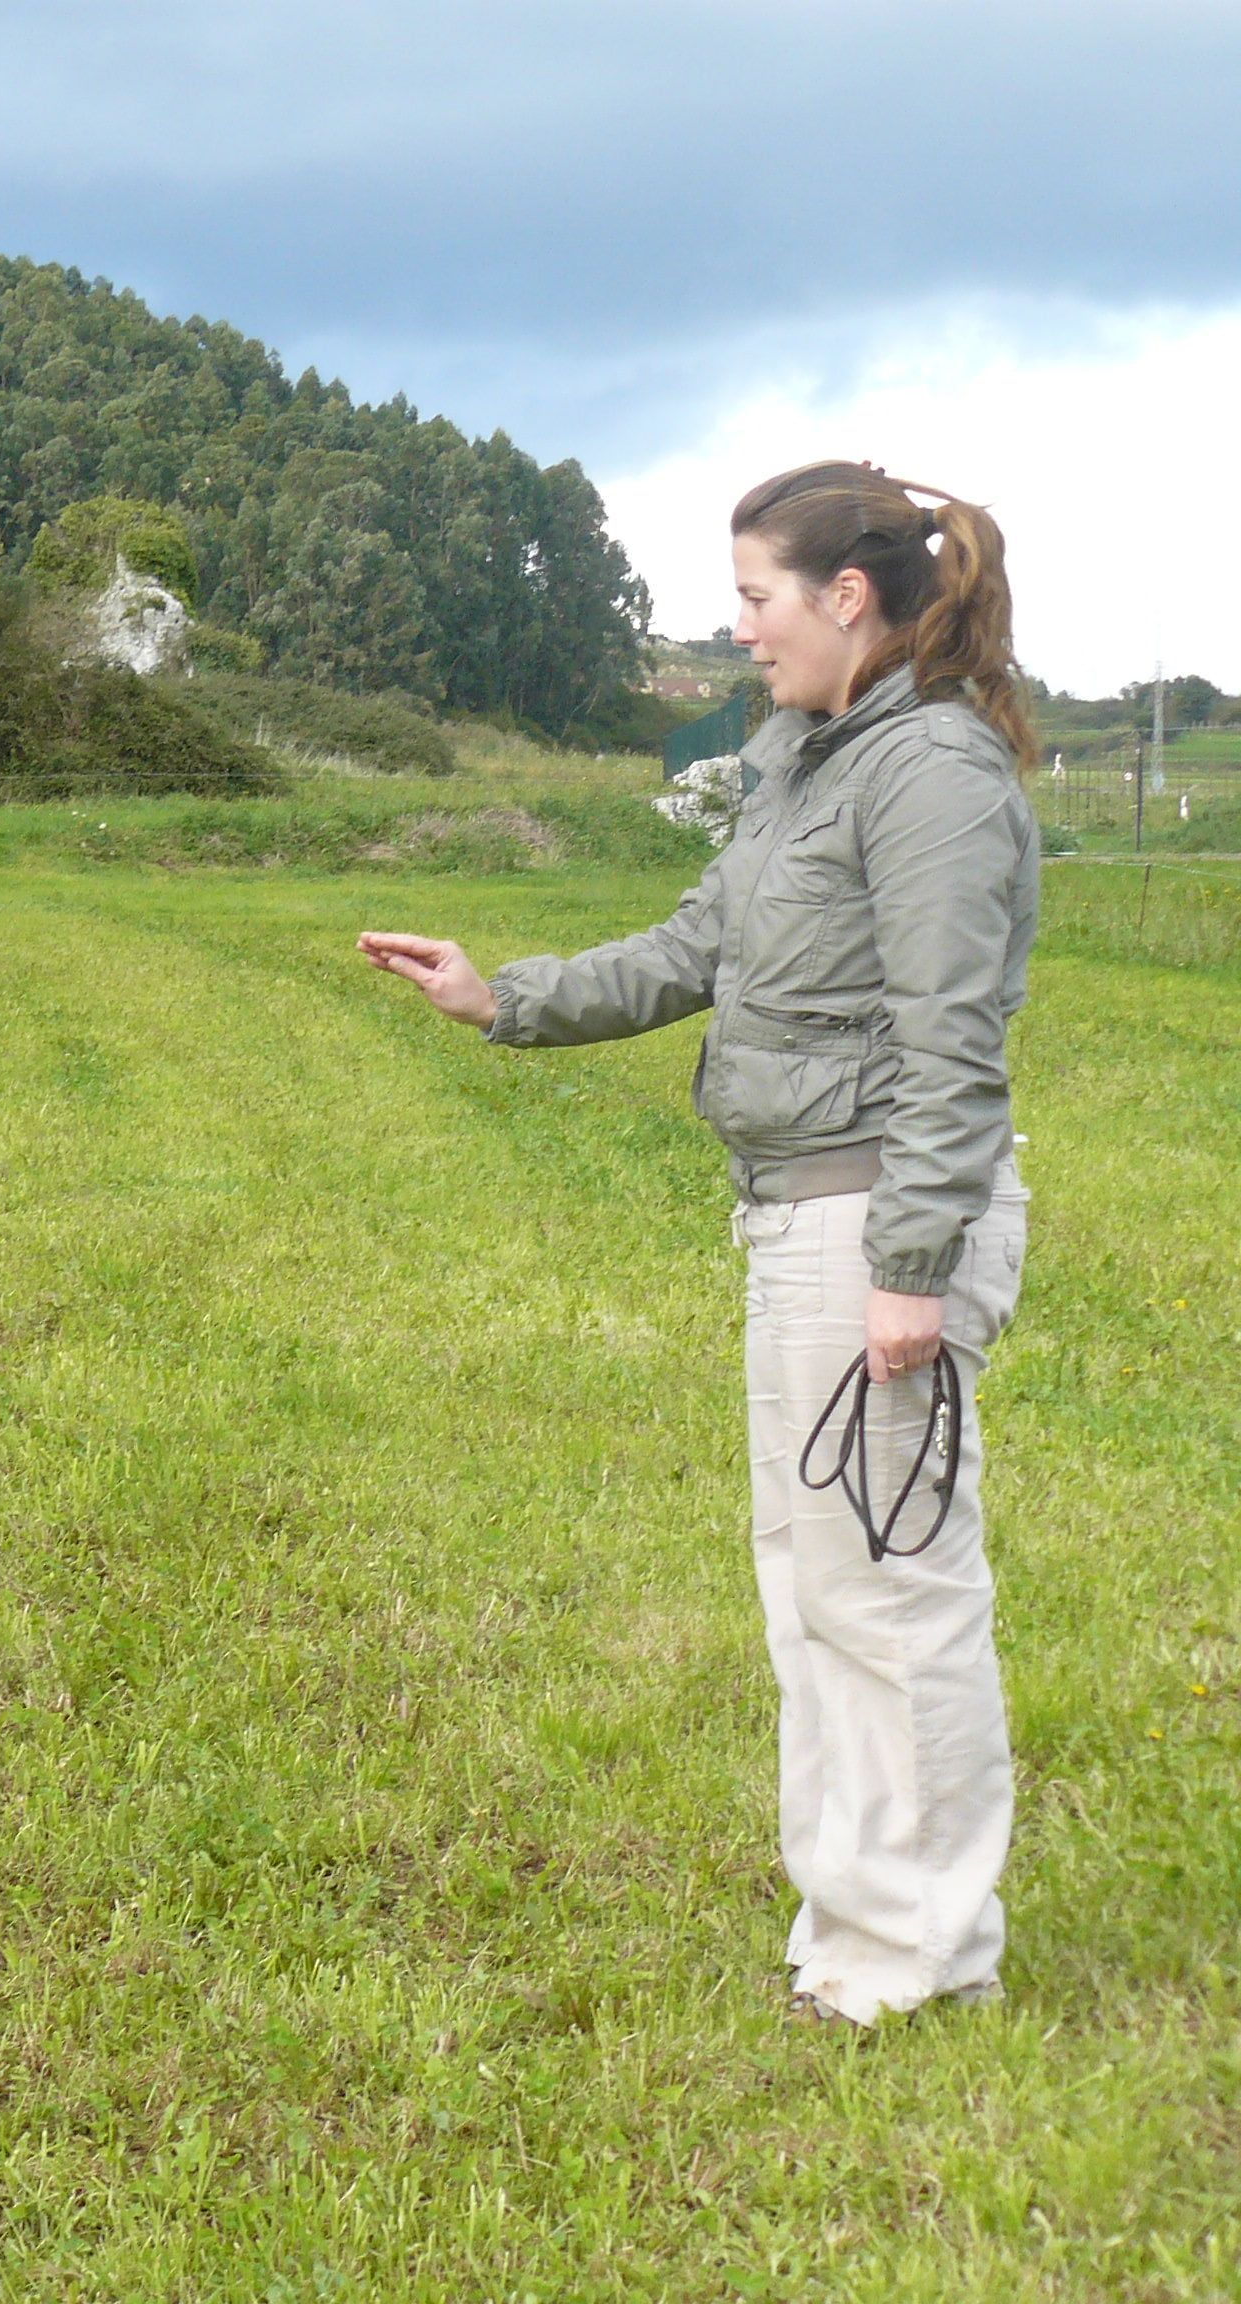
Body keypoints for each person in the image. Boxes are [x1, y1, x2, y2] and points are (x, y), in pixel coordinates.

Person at [358, 462, 1039, 2028]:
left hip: (876, 1217)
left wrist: (912, 1271)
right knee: (819, 1594)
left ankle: (927, 1956)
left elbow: (955, 1043)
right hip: (804, 1212)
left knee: (891, 1590)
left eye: (754, 599)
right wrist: (499, 994)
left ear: (845, 598)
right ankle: (860, 1933)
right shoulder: (802, 758)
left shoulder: (930, 773)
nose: (739, 633)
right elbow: (697, 946)